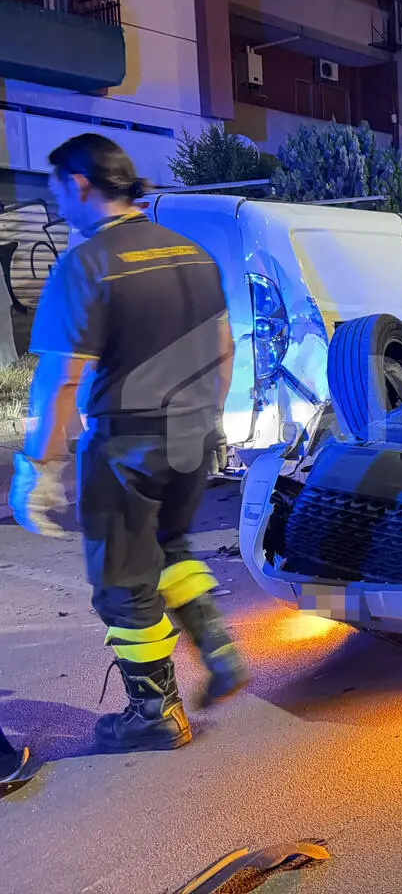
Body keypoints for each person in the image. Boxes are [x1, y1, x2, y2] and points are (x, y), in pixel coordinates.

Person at [8, 133, 248, 754]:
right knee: (169, 547)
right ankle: (217, 648)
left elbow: (61, 378)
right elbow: (223, 350)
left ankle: (153, 712)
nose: (57, 204)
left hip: (127, 444)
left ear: (80, 184)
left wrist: (39, 466)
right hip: (195, 435)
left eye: (58, 188)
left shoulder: (86, 264)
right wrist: (206, 421)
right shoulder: (193, 255)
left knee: (122, 578)